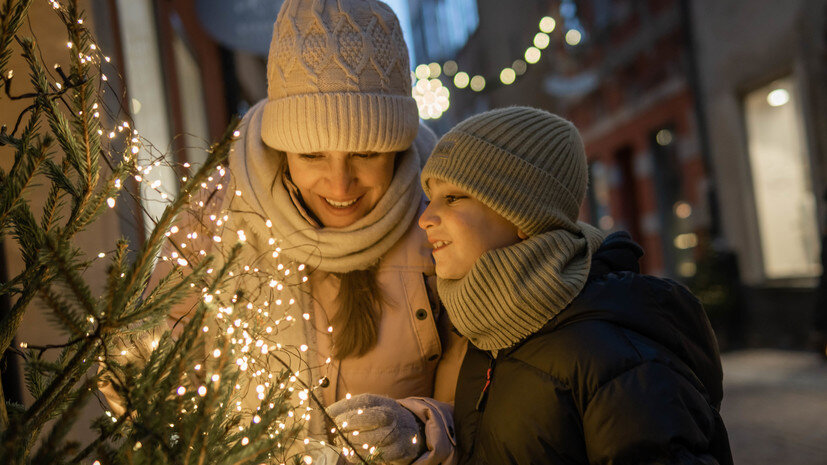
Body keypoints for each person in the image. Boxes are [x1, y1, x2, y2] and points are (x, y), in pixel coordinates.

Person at [99, 1, 464, 464]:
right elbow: (161, 391)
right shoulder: (215, 215)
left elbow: (489, 402)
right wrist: (135, 374)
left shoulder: (441, 220)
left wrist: (421, 427)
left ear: (398, 145)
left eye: (366, 154)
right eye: (312, 156)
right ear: (281, 146)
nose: (339, 185)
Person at [417, 106, 733, 464]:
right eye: (431, 197)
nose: (425, 218)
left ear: (524, 214)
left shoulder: (614, 358)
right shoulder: (492, 336)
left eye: (453, 197)